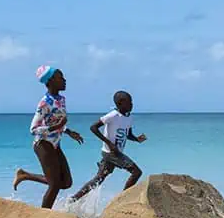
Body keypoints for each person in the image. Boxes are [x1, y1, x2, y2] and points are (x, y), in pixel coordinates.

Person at [13, 66, 84, 209]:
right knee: (55, 185)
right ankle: (43, 216)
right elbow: (33, 129)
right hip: (43, 144)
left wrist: (68, 131)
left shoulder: (61, 99)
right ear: (51, 81)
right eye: (60, 78)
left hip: (55, 144)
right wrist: (55, 127)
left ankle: (25, 175)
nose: (64, 80)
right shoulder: (44, 103)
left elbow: (54, 121)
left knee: (66, 182)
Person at [69, 90, 147, 202]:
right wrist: (109, 143)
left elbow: (128, 134)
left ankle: (73, 199)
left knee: (99, 179)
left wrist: (137, 139)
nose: (132, 104)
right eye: (129, 102)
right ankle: (122, 199)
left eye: (132, 102)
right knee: (136, 172)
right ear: (120, 103)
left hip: (113, 153)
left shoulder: (129, 118)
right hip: (111, 153)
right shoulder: (113, 115)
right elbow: (93, 127)